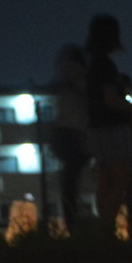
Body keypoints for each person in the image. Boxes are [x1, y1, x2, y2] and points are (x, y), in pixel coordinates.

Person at [84, 15, 132, 234]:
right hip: (112, 128)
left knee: (104, 180)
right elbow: (111, 100)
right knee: (120, 179)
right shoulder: (106, 65)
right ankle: (106, 227)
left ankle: (103, 230)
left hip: (96, 128)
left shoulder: (92, 64)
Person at [50, 43, 89, 231]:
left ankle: (72, 219)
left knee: (70, 179)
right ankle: (73, 220)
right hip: (74, 132)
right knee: (72, 180)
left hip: (64, 131)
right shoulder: (78, 73)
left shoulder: (62, 76)